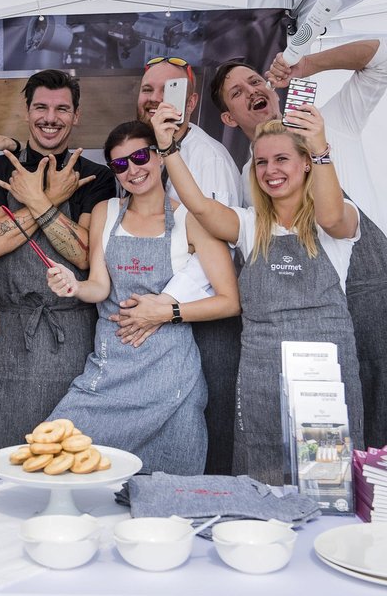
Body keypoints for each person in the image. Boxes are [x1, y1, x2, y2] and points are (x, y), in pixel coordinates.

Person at [210, 39, 387, 452]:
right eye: (237, 92)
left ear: (273, 90)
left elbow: (384, 55)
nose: (252, 91)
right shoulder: (250, 176)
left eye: (256, 81)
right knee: (325, 444)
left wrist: (307, 65)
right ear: (228, 116)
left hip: (373, 300)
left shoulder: (334, 120)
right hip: (312, 321)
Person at [151, 97, 365, 485]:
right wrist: (168, 148)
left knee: (325, 479)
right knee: (261, 474)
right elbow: (198, 206)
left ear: (304, 163)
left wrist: (320, 148)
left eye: (282, 159)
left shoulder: (336, 219)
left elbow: (332, 216)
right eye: (262, 162)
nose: (270, 170)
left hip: (322, 372)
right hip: (261, 368)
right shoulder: (250, 225)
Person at [45, 121, 239, 474]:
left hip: (171, 378)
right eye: (120, 164)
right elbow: (100, 287)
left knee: (167, 492)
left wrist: (168, 313)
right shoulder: (106, 212)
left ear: (160, 157)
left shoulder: (191, 219)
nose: (133, 170)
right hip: (109, 370)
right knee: (58, 456)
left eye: (139, 157)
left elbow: (229, 300)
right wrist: (74, 285)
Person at [0, 69, 117, 464]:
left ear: (76, 115)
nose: (50, 118)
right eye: (42, 107)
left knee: (66, 456)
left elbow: (84, 254)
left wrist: (36, 201)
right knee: (2, 457)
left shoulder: (97, 177)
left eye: (61, 109)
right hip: (9, 334)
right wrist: (51, 198)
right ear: (26, 110)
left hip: (71, 334)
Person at [135, 55, 244, 475]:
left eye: (170, 90)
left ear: (192, 101)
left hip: (202, 322)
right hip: (159, 319)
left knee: (205, 433)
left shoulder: (208, 157)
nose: (156, 99)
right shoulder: (137, 154)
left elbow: (217, 252)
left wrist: (162, 305)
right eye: (148, 90)